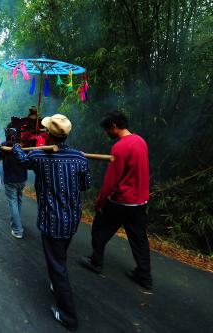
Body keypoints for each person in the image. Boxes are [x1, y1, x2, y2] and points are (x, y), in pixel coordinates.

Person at [12, 114, 91, 331]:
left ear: (47, 134)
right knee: (60, 257)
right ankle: (57, 283)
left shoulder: (39, 157)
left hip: (52, 221)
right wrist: (79, 160)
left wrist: (18, 146)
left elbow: (20, 157)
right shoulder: (80, 158)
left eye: (45, 131)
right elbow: (85, 185)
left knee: (57, 266)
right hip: (72, 220)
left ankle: (68, 316)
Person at [79, 110, 153, 290]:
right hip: (140, 200)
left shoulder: (119, 147)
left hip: (121, 201)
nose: (107, 134)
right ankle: (145, 276)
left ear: (114, 126)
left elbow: (111, 181)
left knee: (99, 229)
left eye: (107, 130)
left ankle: (96, 262)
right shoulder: (140, 141)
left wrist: (100, 202)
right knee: (139, 239)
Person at [0, 127, 27, 239]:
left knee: (13, 203)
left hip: (10, 180)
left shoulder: (4, 145)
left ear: (7, 135)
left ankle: (18, 230)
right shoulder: (21, 145)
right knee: (18, 201)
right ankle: (16, 223)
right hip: (22, 180)